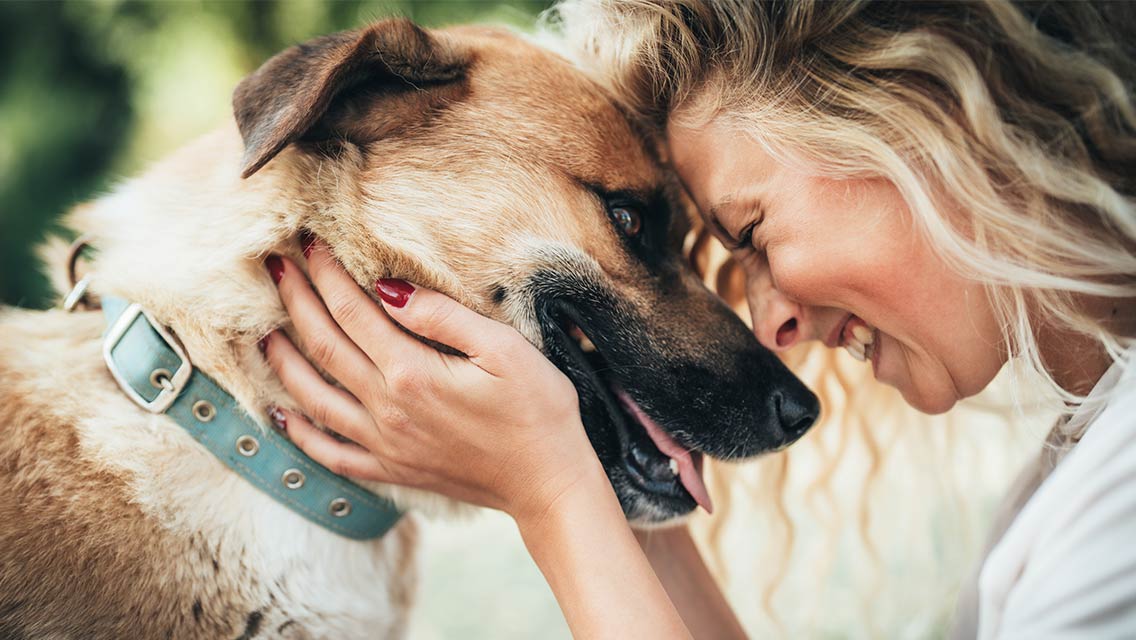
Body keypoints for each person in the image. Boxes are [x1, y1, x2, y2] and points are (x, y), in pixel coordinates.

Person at [257, 1, 1136, 637]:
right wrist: (610, 464)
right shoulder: (1086, 453)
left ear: (932, 115)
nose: (770, 325)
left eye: (748, 233)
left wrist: (556, 500)